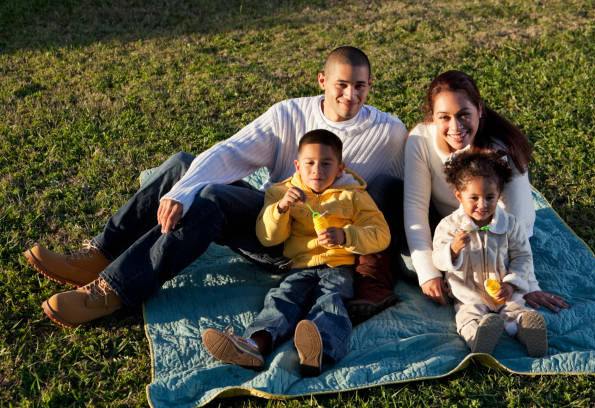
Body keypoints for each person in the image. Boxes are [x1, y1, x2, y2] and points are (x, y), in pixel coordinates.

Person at [24, 46, 407, 328]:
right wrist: (181, 189)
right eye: (342, 85)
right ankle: (101, 252)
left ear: (370, 85)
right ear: (322, 81)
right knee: (181, 167)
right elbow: (233, 151)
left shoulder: (387, 132)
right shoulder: (289, 113)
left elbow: (408, 187)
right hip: (273, 215)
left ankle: (112, 292)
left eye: (360, 87)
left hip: (298, 246)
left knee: (208, 198)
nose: (351, 96)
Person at [202, 130, 390, 375]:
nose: (317, 171)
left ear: (340, 168)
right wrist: (280, 210)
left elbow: (380, 234)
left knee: (330, 302)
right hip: (299, 266)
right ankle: (253, 346)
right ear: (297, 165)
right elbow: (267, 238)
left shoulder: (353, 195)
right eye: (309, 163)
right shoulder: (281, 193)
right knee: (281, 300)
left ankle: (319, 350)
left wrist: (346, 235)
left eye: (326, 164)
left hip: (338, 267)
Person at [403, 70, 569, 312]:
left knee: (488, 278)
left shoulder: (500, 151)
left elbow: (518, 224)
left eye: (463, 115)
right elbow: (415, 208)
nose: (455, 127)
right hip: (447, 227)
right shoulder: (420, 140)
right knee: (414, 267)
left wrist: (526, 284)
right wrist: (428, 274)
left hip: (494, 232)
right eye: (444, 117)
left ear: (479, 110)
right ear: (432, 117)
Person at [432, 151, 547, 356]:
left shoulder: (510, 224)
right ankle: (478, 337)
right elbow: (438, 259)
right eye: (474, 198)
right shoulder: (449, 226)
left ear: (499, 194)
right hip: (469, 294)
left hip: (504, 291)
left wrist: (512, 284)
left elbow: (522, 256)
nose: (482, 205)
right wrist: (453, 249)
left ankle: (526, 329)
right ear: (459, 195)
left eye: (490, 197)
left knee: (515, 310)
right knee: (468, 316)